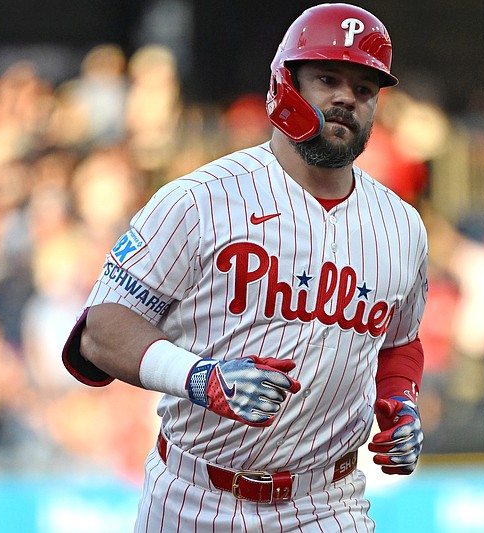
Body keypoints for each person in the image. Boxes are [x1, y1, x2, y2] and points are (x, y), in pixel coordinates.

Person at [61, 3, 428, 531]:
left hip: (327, 501)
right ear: (286, 83)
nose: (347, 98)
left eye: (364, 88)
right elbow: (101, 331)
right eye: (327, 79)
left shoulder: (403, 226)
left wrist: (400, 401)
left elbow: (400, 342)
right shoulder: (199, 200)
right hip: (193, 494)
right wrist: (199, 378)